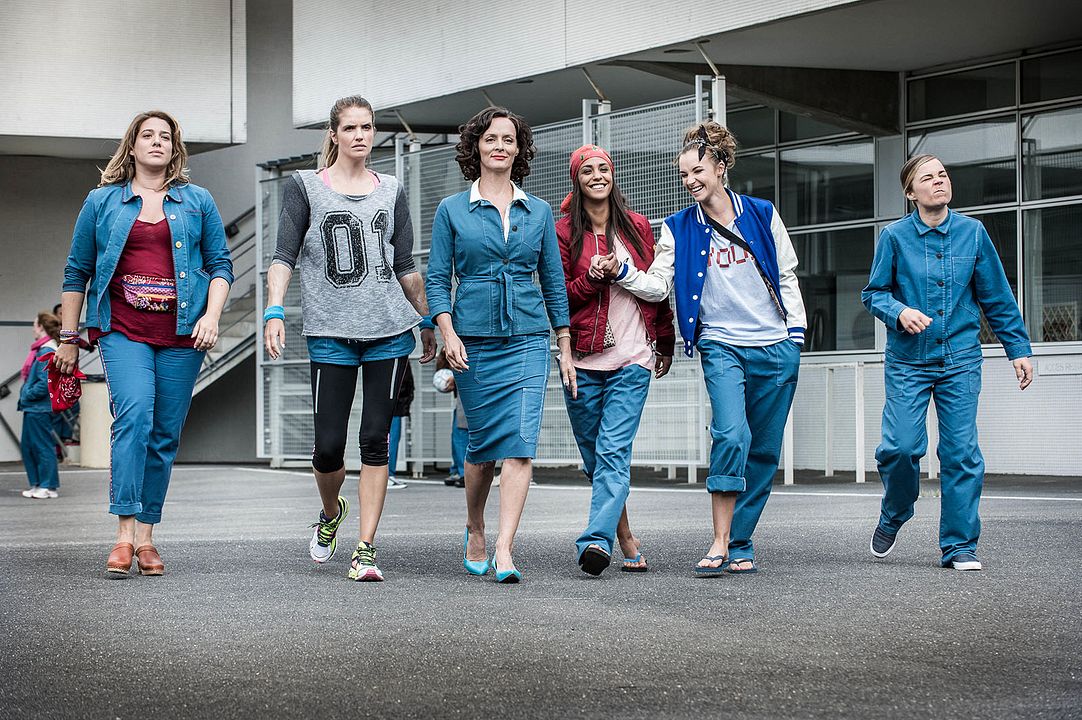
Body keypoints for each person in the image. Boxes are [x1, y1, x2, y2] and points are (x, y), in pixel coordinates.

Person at [599, 122, 806, 575]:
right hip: (721, 344)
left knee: (764, 450)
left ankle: (741, 540)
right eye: (684, 175)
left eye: (697, 171)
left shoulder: (762, 213)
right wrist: (623, 273)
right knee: (732, 434)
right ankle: (717, 540)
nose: (690, 181)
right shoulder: (677, 229)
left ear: (721, 167)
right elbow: (657, 287)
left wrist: (795, 337)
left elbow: (787, 275)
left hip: (774, 345)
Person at [264, 95, 435, 583]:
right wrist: (274, 309)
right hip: (330, 333)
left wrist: (426, 320)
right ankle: (330, 511)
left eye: (367, 127)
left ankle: (366, 547)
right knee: (327, 448)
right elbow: (283, 257)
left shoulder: (393, 190)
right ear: (334, 135)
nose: (361, 135)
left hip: (388, 331)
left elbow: (405, 266)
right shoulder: (305, 189)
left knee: (374, 440)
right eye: (351, 128)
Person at [56, 110, 233, 576]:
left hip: (183, 334)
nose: (157, 142)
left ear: (175, 148)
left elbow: (220, 265)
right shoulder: (102, 202)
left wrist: (212, 317)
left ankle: (148, 536)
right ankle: (123, 533)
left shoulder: (197, 201)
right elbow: (78, 272)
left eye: (165, 137)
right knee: (133, 416)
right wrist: (69, 338)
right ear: (131, 146)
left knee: (165, 433)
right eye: (147, 135)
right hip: (121, 331)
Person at [862, 155, 1033, 571]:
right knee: (900, 448)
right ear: (910, 192)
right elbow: (874, 294)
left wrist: (1019, 349)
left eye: (943, 175)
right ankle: (895, 511)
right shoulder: (895, 237)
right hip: (908, 361)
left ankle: (958, 546)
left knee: (961, 453)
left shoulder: (973, 234)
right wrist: (899, 312)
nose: (939, 182)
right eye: (928, 178)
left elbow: (996, 296)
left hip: (960, 359)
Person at [425, 106, 574, 583]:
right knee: (481, 449)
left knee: (520, 446)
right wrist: (448, 335)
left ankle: (506, 549)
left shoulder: (540, 211)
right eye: (491, 138)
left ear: (518, 150)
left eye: (509, 139)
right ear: (476, 147)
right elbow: (436, 281)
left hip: (529, 338)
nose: (500, 146)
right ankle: (475, 526)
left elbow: (553, 281)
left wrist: (564, 342)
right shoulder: (452, 209)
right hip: (473, 341)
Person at [555, 144, 676, 576]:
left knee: (613, 451)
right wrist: (590, 278)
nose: (597, 175)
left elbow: (656, 289)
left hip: (632, 358)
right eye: (587, 170)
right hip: (583, 361)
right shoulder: (562, 232)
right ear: (578, 179)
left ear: (613, 175)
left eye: (604, 168)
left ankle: (595, 541)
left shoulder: (639, 227)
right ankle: (625, 537)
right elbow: (558, 299)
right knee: (596, 460)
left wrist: (665, 341)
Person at [19, 312, 61, 499]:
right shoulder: (43, 349)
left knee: (41, 446)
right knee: (30, 446)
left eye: (35, 325)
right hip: (35, 407)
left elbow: (45, 382)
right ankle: (40, 484)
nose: (33, 329)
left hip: (38, 407)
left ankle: (47, 485)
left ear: (42, 327)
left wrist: (27, 395)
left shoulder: (45, 351)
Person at [434, 349, 468, 487]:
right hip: (461, 399)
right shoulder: (450, 342)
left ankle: (464, 473)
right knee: (457, 435)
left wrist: (456, 376)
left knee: (461, 435)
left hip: (469, 396)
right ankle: (457, 470)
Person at [387, 364, 413, 489]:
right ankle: (386, 475)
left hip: (397, 403)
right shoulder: (395, 358)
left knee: (394, 438)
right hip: (393, 403)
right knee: (391, 438)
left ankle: (389, 474)